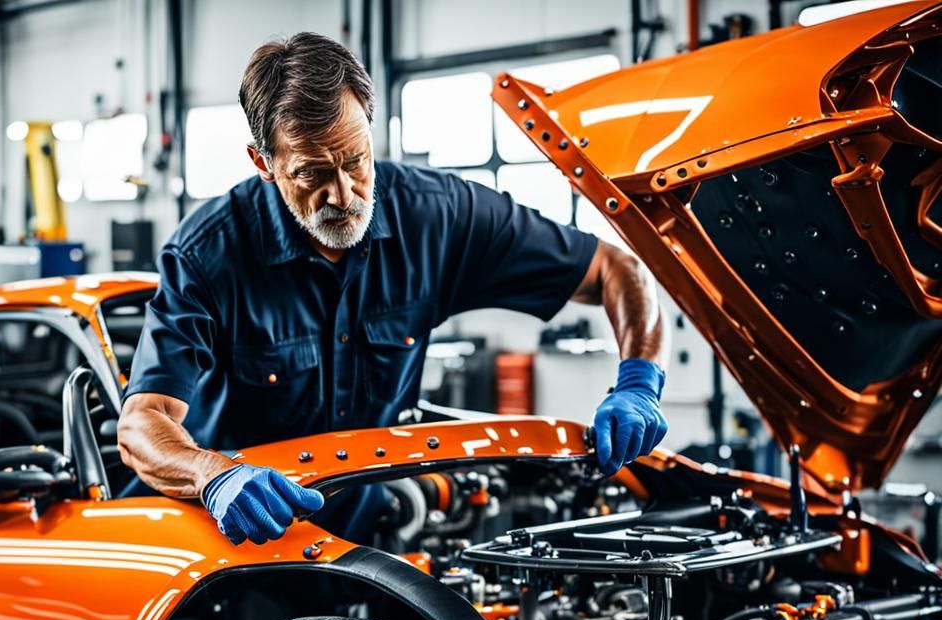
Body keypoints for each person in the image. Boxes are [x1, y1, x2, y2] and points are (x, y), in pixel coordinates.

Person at [117, 32, 669, 546]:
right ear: (263, 162)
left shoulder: (439, 216)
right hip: (236, 543)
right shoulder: (209, 255)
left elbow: (618, 271)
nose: (343, 194)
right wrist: (215, 475)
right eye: (311, 173)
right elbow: (143, 423)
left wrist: (639, 383)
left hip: (369, 533)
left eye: (355, 160)